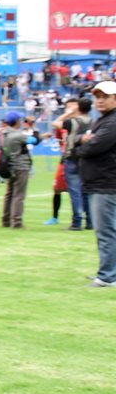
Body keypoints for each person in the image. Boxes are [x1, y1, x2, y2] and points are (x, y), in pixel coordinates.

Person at [75, 81, 116, 287]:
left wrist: (83, 144)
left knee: (106, 231)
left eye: (105, 97)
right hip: (101, 182)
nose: (99, 100)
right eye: (97, 97)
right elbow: (85, 141)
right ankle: (109, 272)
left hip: (105, 183)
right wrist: (84, 140)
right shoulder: (103, 120)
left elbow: (92, 147)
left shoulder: (112, 122)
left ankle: (108, 276)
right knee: (107, 230)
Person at [51, 97, 94, 231]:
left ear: (79, 108)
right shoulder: (94, 122)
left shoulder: (72, 122)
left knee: (74, 192)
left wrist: (68, 112)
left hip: (72, 156)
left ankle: (77, 222)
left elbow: (56, 123)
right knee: (86, 191)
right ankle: (90, 221)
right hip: (86, 158)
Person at [0, 110, 33, 229]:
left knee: (9, 194)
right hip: (21, 165)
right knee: (19, 194)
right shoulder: (17, 135)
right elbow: (34, 140)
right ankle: (17, 221)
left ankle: (6, 219)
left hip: (10, 165)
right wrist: (32, 127)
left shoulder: (4, 133)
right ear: (16, 121)